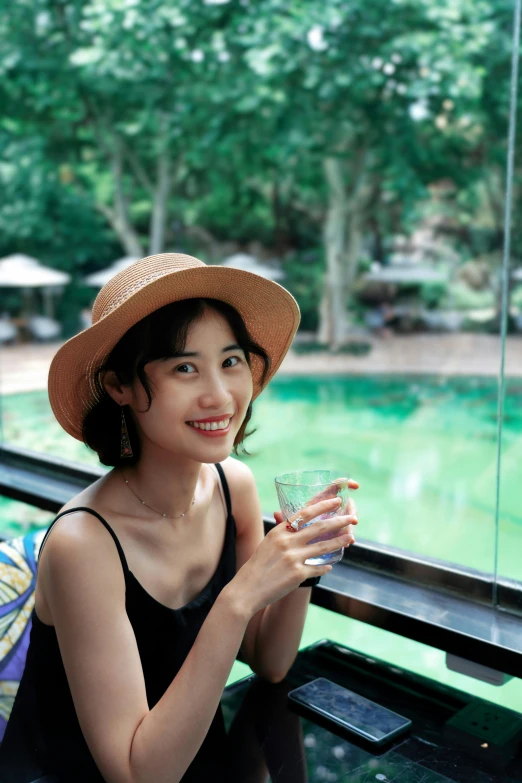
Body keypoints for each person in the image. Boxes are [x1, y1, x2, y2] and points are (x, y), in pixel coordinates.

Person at [0, 252, 358, 783]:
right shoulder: (84, 543)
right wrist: (239, 598)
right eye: (184, 367)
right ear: (120, 387)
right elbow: (136, 773)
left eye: (231, 361)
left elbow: (270, 662)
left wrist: (304, 554)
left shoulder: (232, 486)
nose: (220, 395)